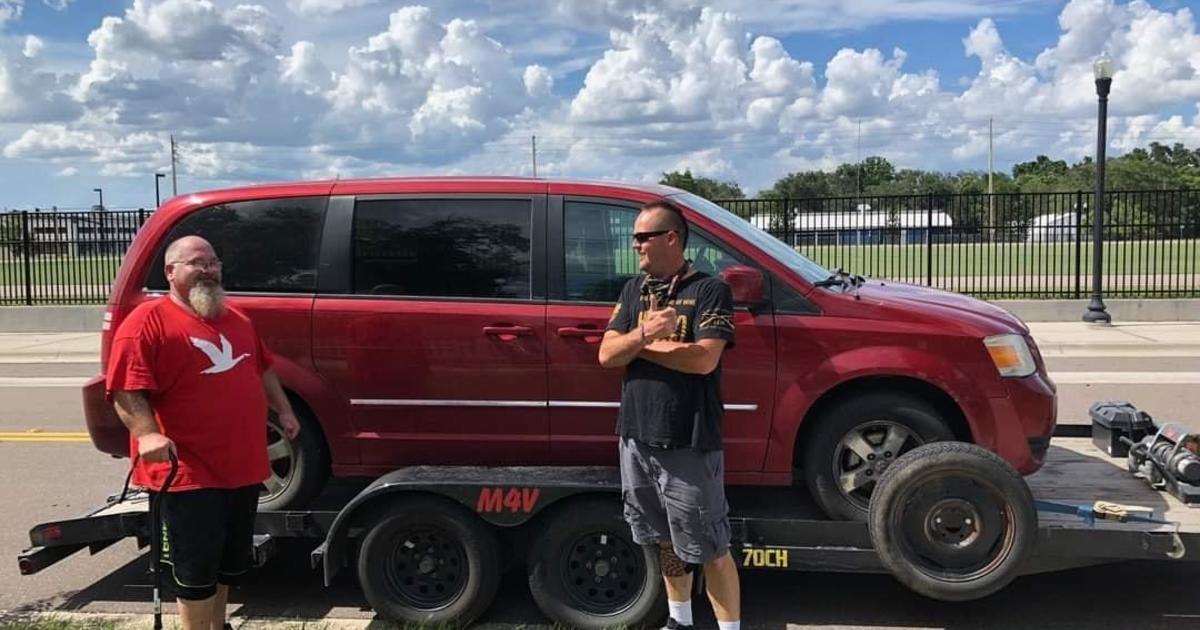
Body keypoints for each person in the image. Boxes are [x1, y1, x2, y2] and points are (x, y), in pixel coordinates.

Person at [106, 235, 300, 630]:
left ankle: (217, 626)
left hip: (243, 468)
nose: (209, 270)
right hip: (188, 475)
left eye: (213, 262)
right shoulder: (146, 323)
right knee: (194, 573)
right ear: (171, 271)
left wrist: (284, 409)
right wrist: (146, 435)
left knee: (228, 566)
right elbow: (125, 389)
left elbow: (260, 368)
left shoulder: (237, 318)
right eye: (197, 262)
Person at [598, 201, 741, 630]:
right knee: (663, 539)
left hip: (688, 439)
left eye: (644, 236)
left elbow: (702, 360)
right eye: (635, 237)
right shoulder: (633, 291)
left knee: (711, 546)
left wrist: (638, 347)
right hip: (636, 435)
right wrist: (646, 333)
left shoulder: (710, 290)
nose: (636, 244)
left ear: (671, 238)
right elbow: (606, 354)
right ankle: (679, 621)